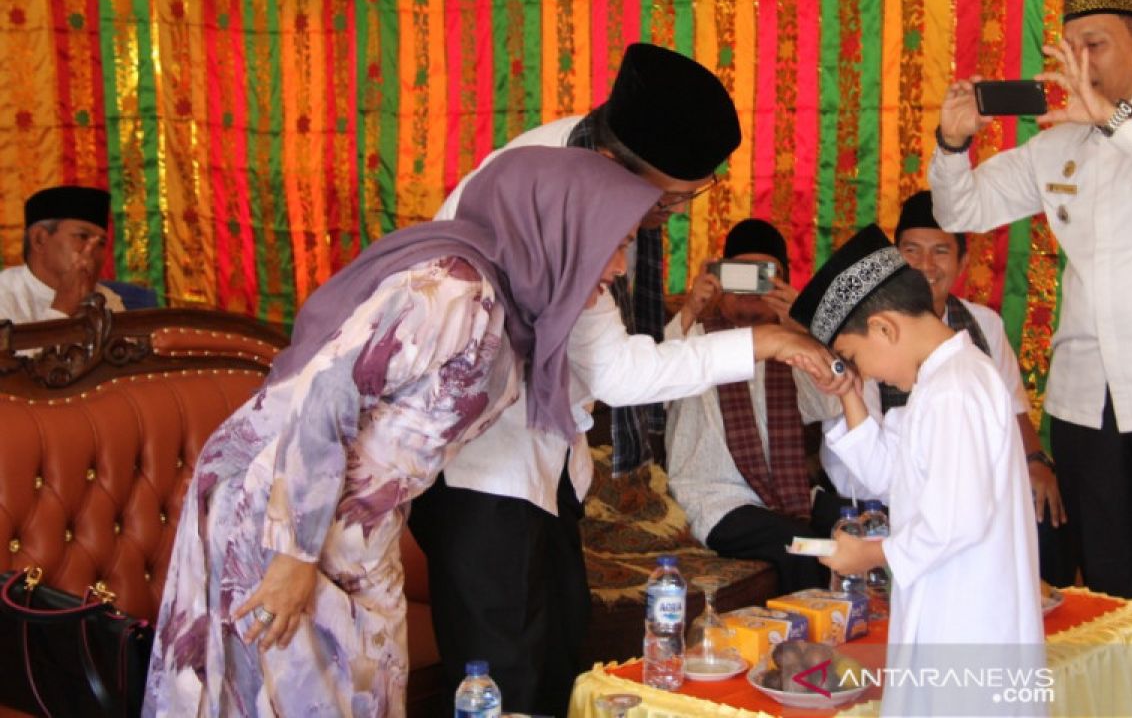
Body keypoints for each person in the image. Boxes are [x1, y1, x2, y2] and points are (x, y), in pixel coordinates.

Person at [142, 147, 663, 716]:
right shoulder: (450, 292)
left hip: (360, 528)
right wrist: (294, 556)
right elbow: (322, 401)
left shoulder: (509, 305)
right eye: (613, 246)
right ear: (561, 232)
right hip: (281, 510)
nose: (618, 268)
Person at [409, 43, 838, 716]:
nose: (671, 214)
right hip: (482, 476)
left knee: (560, 666)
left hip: (542, 466)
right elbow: (616, 370)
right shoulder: (547, 193)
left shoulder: (592, 163)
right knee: (503, 686)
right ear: (616, 168)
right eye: (672, 200)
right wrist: (762, 340)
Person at [929, 0, 1132, 616]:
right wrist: (952, 142)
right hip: (1085, 402)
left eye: (1097, 45)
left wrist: (1116, 121)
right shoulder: (1056, 145)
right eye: (1070, 48)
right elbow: (960, 210)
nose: (1080, 64)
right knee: (1108, 596)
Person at [790, 224, 1044, 717]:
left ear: (885, 328)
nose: (867, 375)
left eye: (854, 357)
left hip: (970, 619)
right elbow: (891, 475)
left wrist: (869, 554)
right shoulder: (939, 380)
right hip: (946, 609)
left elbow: (959, 520)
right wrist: (848, 397)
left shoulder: (954, 389)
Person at [886, 190, 1072, 586]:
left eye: (940, 251)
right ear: (893, 257)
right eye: (911, 251)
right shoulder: (875, 327)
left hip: (975, 481)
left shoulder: (983, 324)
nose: (925, 265)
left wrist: (1037, 463)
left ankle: (1050, 631)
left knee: (1047, 512)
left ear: (962, 263)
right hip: (894, 480)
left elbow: (1014, 409)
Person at [664, 218, 839, 592]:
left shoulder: (792, 342)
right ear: (720, 278)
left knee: (860, 526)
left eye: (763, 276)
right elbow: (654, 384)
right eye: (738, 274)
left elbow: (830, 402)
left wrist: (802, 326)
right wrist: (693, 306)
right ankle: (808, 645)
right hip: (715, 498)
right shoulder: (694, 337)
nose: (750, 287)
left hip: (788, 494)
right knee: (801, 546)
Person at [0, 185, 126, 322]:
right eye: (82, 236)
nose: (93, 251)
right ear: (39, 239)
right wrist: (62, 309)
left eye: (101, 243)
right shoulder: (5, 296)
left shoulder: (107, 298)